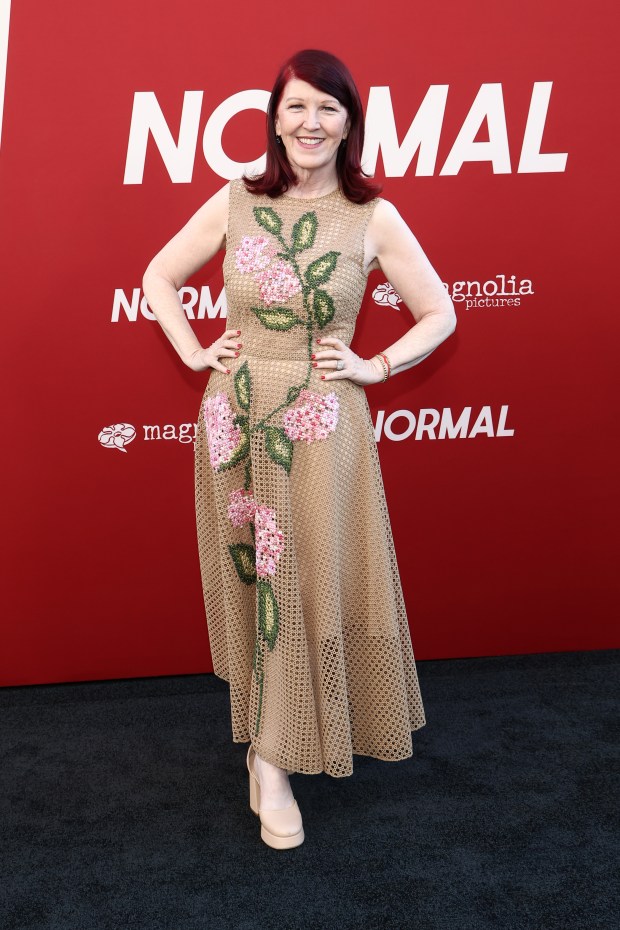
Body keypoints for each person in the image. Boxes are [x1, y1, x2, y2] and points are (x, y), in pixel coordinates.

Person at [142, 48, 456, 850]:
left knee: (311, 574)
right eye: (296, 107)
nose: (311, 123)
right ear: (274, 119)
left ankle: (283, 739)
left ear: (349, 122)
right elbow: (158, 276)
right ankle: (269, 755)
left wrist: (373, 365)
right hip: (236, 418)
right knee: (260, 579)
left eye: (328, 108)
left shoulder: (372, 215)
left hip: (324, 426)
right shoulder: (235, 202)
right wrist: (190, 351)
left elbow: (440, 314)